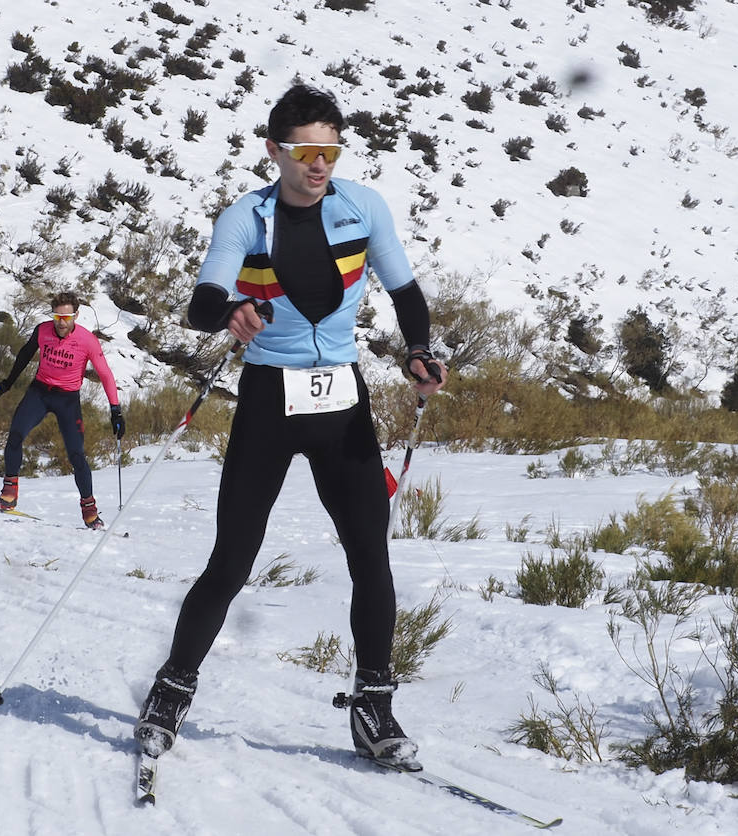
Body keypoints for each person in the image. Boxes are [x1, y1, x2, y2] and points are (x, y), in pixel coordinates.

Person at [134, 84, 449, 769]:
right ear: (275, 150)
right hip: (270, 402)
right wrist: (229, 315)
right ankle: (171, 690)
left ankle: (374, 705)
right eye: (307, 150)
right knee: (233, 560)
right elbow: (204, 299)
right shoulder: (247, 217)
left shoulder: (364, 207)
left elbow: (404, 292)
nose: (320, 163)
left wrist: (421, 351)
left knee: (371, 555)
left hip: (342, 403)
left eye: (331, 150)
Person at [0, 291, 124, 529]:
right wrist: (8, 382)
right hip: (39, 392)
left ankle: (90, 511)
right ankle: (9, 493)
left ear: (76, 316)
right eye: (57, 317)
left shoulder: (87, 340)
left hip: (67, 399)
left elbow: (105, 374)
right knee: (15, 434)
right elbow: (25, 354)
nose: (61, 322)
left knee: (76, 455)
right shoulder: (42, 330)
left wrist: (115, 410)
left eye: (67, 317)